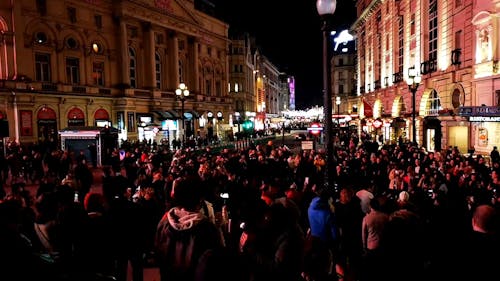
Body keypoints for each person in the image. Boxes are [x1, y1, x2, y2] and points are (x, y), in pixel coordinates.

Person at [155, 174, 225, 281]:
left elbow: (158, 253)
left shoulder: (164, 222)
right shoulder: (206, 228)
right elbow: (214, 262)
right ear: (199, 201)